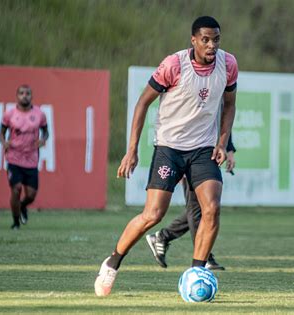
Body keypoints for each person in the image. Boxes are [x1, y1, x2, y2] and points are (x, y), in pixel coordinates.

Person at [94, 16, 238, 297]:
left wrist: (222, 142)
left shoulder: (228, 64)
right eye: (206, 40)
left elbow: (230, 104)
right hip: (169, 149)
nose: (212, 45)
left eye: (216, 39)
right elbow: (142, 103)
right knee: (153, 214)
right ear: (194, 40)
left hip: (203, 150)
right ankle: (113, 261)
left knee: (212, 208)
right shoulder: (173, 65)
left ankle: (198, 272)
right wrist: (132, 149)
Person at [146, 137, 236, 270]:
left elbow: (223, 122)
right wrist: (181, 165)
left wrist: (229, 150)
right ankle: (204, 259)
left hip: (207, 156)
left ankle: (162, 237)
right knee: (197, 210)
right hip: (189, 155)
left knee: (206, 209)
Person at [0, 85, 49, 230]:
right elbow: (1, 133)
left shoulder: (39, 114)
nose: (24, 96)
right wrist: (4, 142)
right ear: (17, 96)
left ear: (31, 96)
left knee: (31, 195)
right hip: (14, 158)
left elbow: (46, 132)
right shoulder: (9, 114)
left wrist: (43, 139)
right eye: (21, 93)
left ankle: (22, 206)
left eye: (27, 93)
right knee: (16, 189)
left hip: (31, 159)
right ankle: (15, 222)